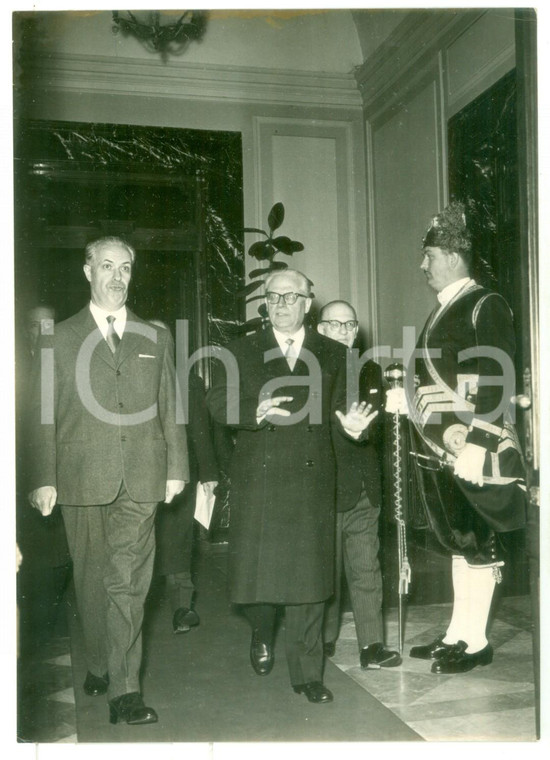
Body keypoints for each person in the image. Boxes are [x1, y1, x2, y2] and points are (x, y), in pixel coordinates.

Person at [27, 237, 189, 725]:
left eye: (125, 268)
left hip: (142, 474)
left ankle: (124, 689)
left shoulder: (155, 337)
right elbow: (42, 413)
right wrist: (42, 476)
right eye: (106, 267)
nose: (116, 277)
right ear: (87, 271)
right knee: (91, 579)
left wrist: (177, 467)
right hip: (79, 475)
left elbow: (170, 407)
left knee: (128, 583)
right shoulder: (59, 336)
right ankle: (99, 660)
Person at [206, 268, 378, 704]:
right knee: (260, 575)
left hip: (312, 478)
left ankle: (307, 673)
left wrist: (357, 428)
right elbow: (214, 400)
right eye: (274, 296)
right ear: (265, 304)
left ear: (308, 302)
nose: (281, 304)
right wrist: (254, 409)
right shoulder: (241, 349)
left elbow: (346, 409)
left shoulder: (334, 353)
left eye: (291, 296)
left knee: (310, 578)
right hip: (260, 478)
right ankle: (262, 631)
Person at [386, 201, 527, 674]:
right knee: (459, 541)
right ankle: (457, 633)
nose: (422, 265)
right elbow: (440, 376)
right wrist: (406, 398)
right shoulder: (448, 307)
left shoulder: (484, 303)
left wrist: (479, 443)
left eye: (428, 255)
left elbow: (493, 375)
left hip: (473, 449)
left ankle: (477, 640)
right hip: (445, 446)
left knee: (478, 543)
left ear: (450, 255)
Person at [317, 301, 401, 670]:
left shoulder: (367, 369)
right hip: (324, 486)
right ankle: (322, 639)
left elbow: (370, 418)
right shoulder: (305, 372)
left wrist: (362, 424)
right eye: (336, 324)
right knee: (324, 570)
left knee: (366, 567)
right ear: (319, 329)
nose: (346, 331)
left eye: (350, 325)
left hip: (364, 487)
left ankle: (371, 646)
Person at [151, 320, 219, 634]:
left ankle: (183, 608)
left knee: (179, 541)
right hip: (138, 476)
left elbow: (201, 430)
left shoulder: (187, 380)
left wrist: (208, 473)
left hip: (180, 472)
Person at [16, 304, 72, 654]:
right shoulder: (15, 368)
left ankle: (46, 623)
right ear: (26, 331)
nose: (43, 332)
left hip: (58, 473)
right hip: (20, 473)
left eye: (50, 325)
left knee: (55, 555)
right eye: (37, 326)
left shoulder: (65, 363)